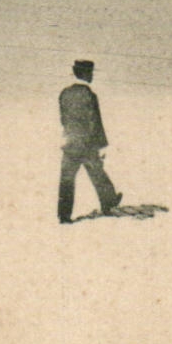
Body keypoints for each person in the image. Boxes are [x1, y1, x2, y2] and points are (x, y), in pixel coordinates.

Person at [58, 59, 122, 224]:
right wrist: (101, 145)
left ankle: (64, 216)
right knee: (97, 173)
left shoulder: (64, 93)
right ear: (86, 74)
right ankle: (109, 203)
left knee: (67, 179)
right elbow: (95, 121)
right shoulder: (90, 95)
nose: (92, 76)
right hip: (87, 144)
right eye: (91, 73)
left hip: (70, 143)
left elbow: (63, 119)